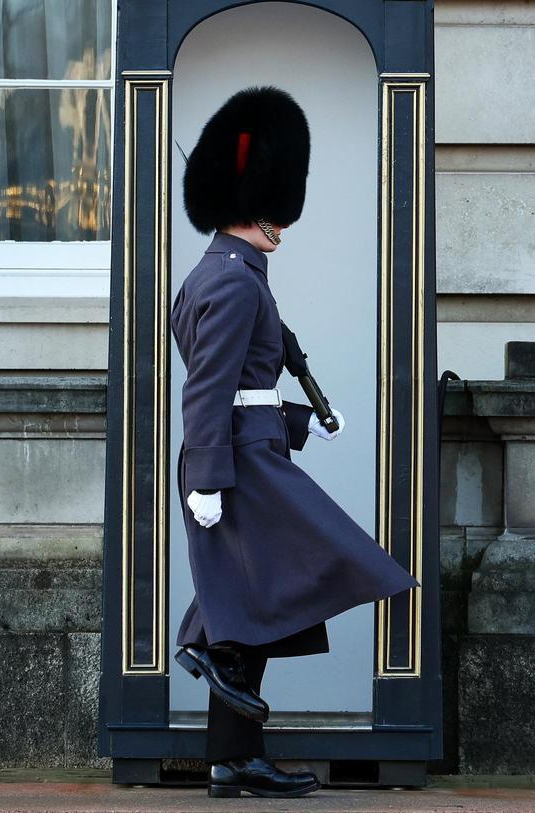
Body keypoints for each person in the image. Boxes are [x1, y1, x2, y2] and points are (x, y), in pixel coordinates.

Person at [168, 85, 420, 799]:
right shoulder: (237, 282)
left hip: (245, 449)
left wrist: (301, 420)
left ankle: (232, 759)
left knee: (248, 600)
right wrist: (209, 476)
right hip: (239, 462)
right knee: (325, 562)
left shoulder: (219, 273)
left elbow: (240, 384)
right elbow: (209, 389)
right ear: (260, 206)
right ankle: (200, 653)